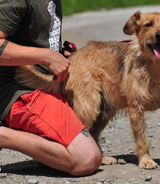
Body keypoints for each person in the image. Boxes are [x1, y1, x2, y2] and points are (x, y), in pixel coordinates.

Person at [0, 0, 102, 176]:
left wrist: (60, 54)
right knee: (86, 158)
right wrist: (46, 57)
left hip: (47, 84)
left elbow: (35, 40)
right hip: (21, 91)